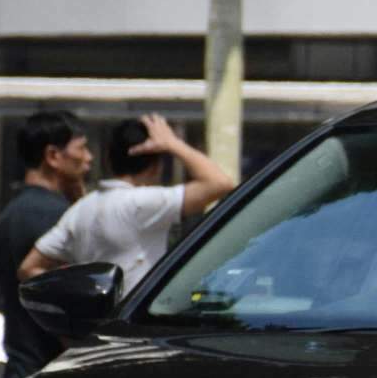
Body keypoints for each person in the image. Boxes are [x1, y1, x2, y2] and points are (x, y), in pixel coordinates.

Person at [23, 113, 239, 293]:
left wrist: (79, 300)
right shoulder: (144, 203)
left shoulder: (81, 209)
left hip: (94, 329)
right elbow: (220, 183)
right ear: (156, 166)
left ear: (109, 159)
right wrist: (173, 144)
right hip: (135, 327)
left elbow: (29, 268)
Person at [0, 108, 89, 378]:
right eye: (81, 148)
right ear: (53, 156)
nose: (88, 158)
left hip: (20, 371)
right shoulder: (57, 218)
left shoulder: (9, 214)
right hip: (53, 377)